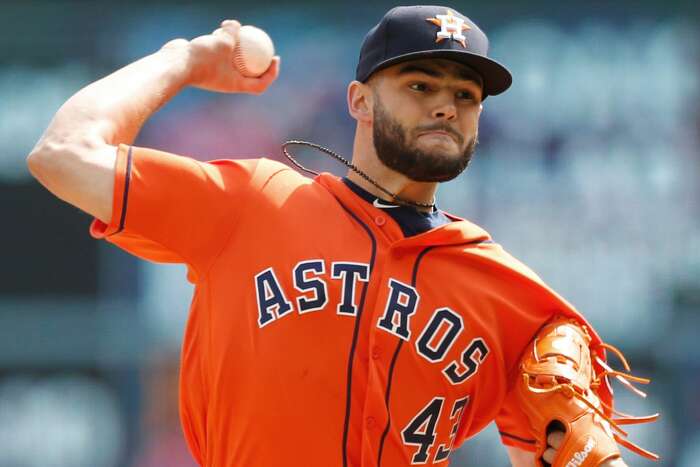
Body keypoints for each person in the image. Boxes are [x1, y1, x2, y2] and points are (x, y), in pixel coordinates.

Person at [27, 5, 648, 467]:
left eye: (465, 94)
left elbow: (560, 449)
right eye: (419, 86)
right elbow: (62, 154)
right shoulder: (253, 203)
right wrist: (181, 61)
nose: (446, 107)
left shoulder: (511, 296)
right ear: (358, 101)